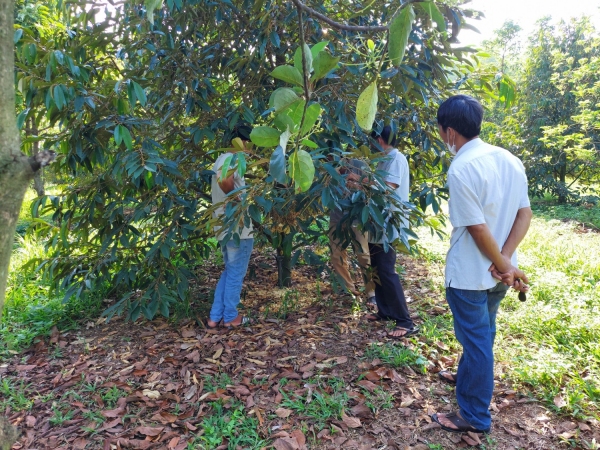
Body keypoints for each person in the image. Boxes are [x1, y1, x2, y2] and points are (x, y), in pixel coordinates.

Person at [430, 95, 532, 434]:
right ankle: (468, 375)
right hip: (498, 273)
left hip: (472, 273)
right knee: (483, 334)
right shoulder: (509, 159)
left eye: (442, 133)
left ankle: (474, 415)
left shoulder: (461, 167)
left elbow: (476, 228)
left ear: (449, 132)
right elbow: (524, 213)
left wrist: (501, 262)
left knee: (476, 342)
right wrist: (506, 261)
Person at [350, 125, 418, 339]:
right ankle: (384, 310)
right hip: (378, 222)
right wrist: (357, 185)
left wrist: (359, 179)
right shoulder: (384, 159)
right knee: (377, 268)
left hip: (389, 223)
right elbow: (376, 187)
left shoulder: (395, 158)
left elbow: (388, 187)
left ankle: (405, 321)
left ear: (379, 140)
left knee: (387, 270)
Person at [207, 126, 254, 329]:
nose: (251, 150)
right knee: (235, 273)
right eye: (251, 144)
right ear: (242, 142)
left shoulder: (221, 159)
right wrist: (236, 199)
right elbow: (224, 180)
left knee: (229, 271)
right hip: (238, 230)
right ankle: (230, 317)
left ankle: (215, 316)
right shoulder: (232, 159)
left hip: (226, 228)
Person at [329, 157, 376, 304]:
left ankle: (372, 292)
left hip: (358, 217)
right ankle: (349, 290)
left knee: (363, 254)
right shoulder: (327, 169)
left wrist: (357, 183)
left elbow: (374, 188)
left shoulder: (360, 165)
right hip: (337, 217)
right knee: (337, 255)